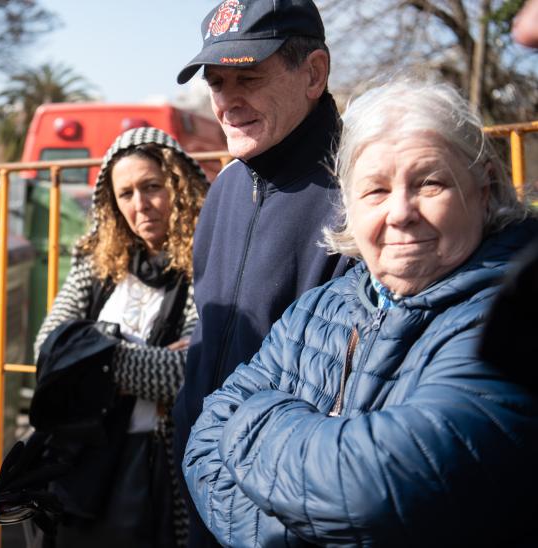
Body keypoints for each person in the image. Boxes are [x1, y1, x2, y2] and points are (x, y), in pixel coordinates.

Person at [183, 79, 538, 546]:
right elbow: (203, 444)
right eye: (375, 190)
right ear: (348, 205)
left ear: (485, 189)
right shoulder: (320, 306)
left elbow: (374, 491)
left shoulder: (514, 314)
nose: (400, 212)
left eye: (430, 182)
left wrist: (257, 418)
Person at [173, 1, 350, 544]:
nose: (227, 101)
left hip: (299, 516)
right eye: (217, 82)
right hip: (206, 497)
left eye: (248, 76)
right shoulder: (224, 188)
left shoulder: (364, 194)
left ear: (313, 73)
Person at [33, 127, 209, 547]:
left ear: (180, 188)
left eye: (152, 187)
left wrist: (91, 349)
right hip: (82, 467)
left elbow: (185, 373)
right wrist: (137, 357)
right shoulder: (96, 261)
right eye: (126, 193)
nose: (141, 205)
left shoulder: (204, 266)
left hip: (158, 471)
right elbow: (48, 349)